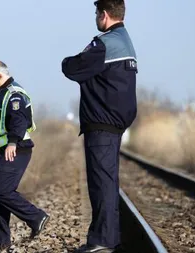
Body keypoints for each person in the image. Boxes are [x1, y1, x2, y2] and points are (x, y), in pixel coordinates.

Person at [61, 0, 138, 252]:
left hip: (101, 122)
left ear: (104, 14)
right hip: (114, 122)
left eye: (96, 12)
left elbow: (73, 68)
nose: (95, 17)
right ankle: (109, 237)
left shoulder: (104, 44)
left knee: (100, 183)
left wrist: (66, 60)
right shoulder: (125, 41)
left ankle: (102, 241)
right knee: (107, 180)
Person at [0, 60, 50, 252]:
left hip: (17, 150)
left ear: (0, 76)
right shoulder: (3, 92)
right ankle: (0, 242)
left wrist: (12, 143)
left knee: (1, 192)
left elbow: (19, 121)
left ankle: (36, 217)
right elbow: (3, 123)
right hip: (9, 149)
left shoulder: (14, 94)